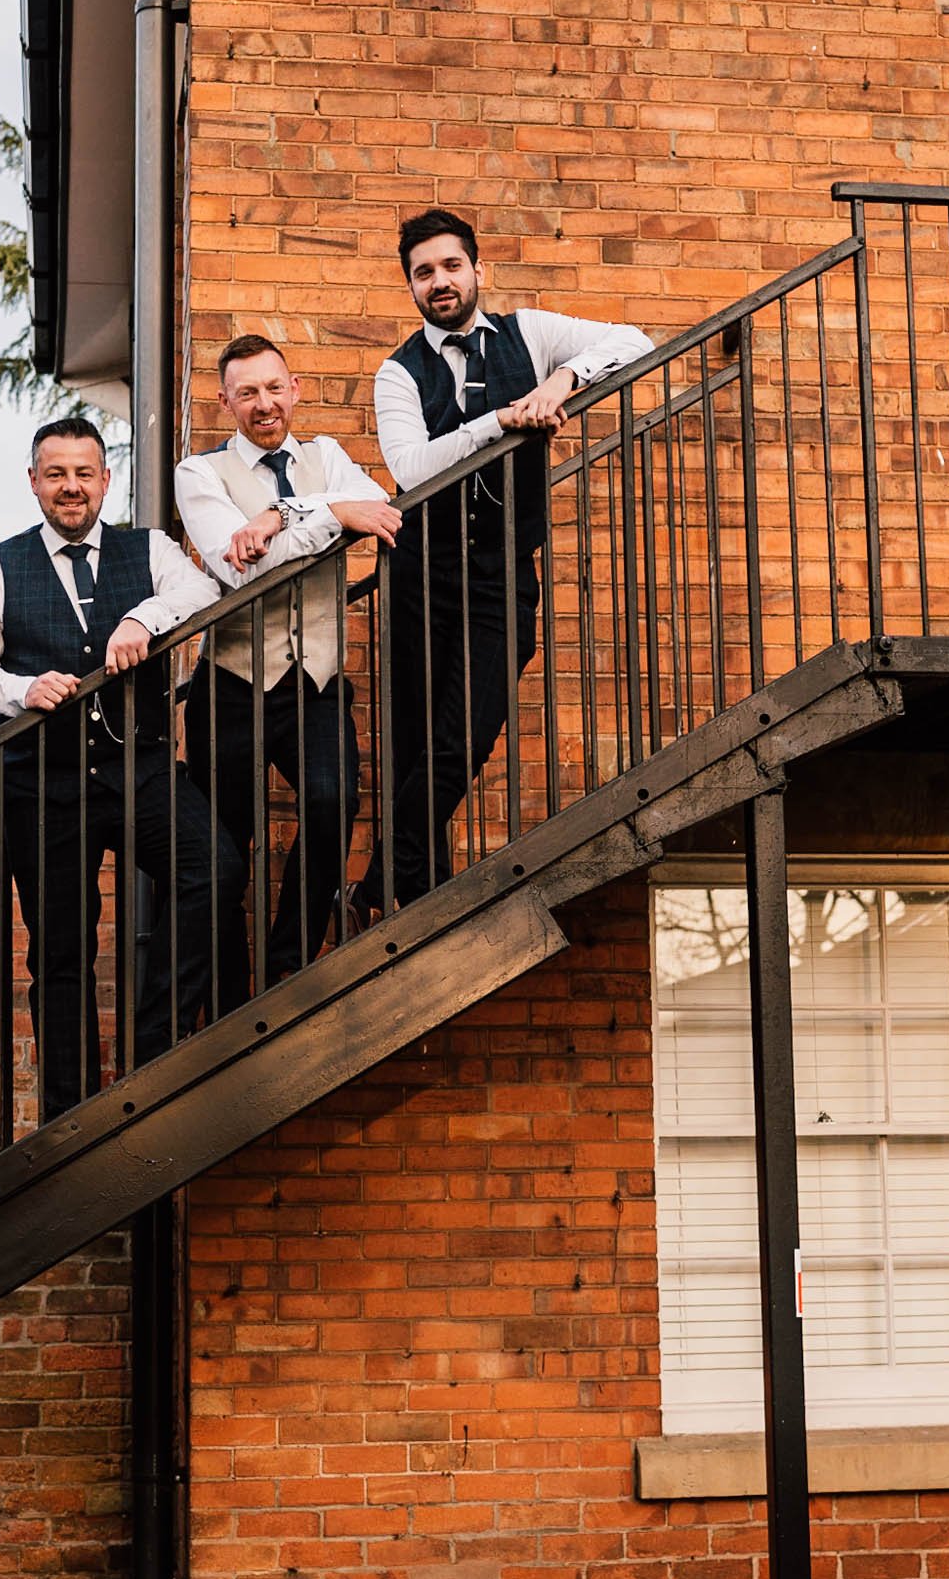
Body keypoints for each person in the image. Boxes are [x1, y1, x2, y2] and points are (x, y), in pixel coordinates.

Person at [0, 417, 240, 1121]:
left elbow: (200, 595)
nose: (71, 486)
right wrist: (20, 691)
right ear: (34, 482)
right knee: (61, 950)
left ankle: (155, 1043)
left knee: (216, 866)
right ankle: (69, 1111)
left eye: (84, 472)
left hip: (136, 763)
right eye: (56, 473)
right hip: (40, 781)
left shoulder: (151, 550)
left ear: (106, 480)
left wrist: (141, 619)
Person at [367, 207, 651, 911]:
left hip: (500, 571)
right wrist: (499, 421)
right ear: (410, 285)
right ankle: (415, 893)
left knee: (469, 728)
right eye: (423, 272)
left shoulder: (530, 333)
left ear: (477, 271)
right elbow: (412, 466)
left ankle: (381, 878)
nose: (440, 281)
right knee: (418, 741)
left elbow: (636, 341)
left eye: (451, 266)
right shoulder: (396, 374)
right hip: (420, 573)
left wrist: (564, 381)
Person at [177, 336, 401, 994]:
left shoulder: (328, 455)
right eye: (246, 392)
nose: (263, 403)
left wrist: (279, 514)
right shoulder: (200, 474)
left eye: (274, 388)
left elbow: (377, 510)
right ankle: (226, 995)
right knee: (226, 850)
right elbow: (236, 561)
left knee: (335, 799)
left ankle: (289, 959)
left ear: (295, 389)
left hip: (317, 682)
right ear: (225, 402)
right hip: (229, 685)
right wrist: (333, 513)